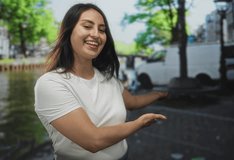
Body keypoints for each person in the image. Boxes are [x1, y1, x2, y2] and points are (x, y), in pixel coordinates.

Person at [34, 3, 168, 160]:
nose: (96, 34)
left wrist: (160, 94)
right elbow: (93, 140)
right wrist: (139, 123)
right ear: (68, 31)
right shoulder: (51, 83)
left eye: (102, 30)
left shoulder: (108, 78)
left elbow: (133, 101)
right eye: (87, 26)